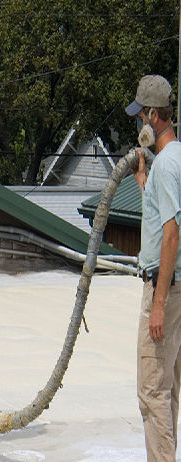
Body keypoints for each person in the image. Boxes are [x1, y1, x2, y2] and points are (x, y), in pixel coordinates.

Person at [126, 75, 181, 462]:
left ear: (153, 117)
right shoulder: (173, 161)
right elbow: (166, 213)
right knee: (170, 386)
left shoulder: (166, 167)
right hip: (178, 288)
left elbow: (172, 234)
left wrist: (158, 302)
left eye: (140, 116)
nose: (137, 124)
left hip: (167, 289)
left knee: (153, 390)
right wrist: (144, 183)